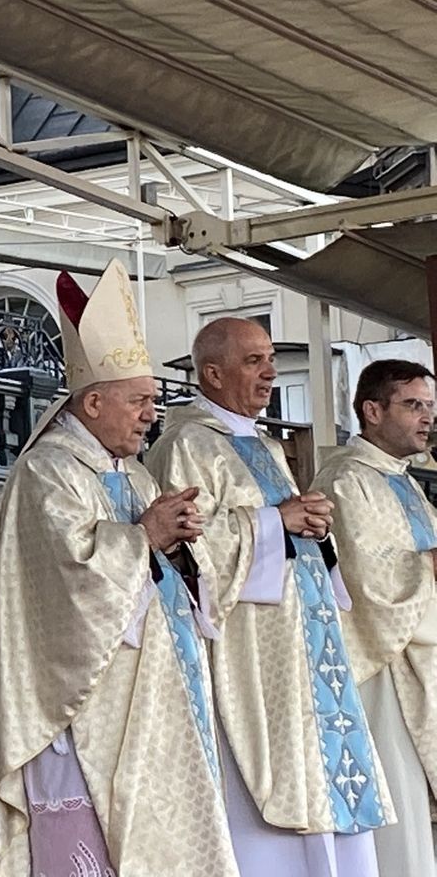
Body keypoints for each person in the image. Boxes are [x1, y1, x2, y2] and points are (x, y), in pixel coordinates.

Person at [0, 260, 237, 877]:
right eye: (140, 401)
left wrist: (181, 548)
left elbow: (172, 582)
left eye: (153, 399)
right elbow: (67, 591)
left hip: (155, 704)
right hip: (82, 715)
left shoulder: (136, 473)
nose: (152, 413)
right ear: (93, 401)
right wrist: (144, 537)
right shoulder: (49, 473)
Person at [145, 317, 392, 877]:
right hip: (250, 655)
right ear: (212, 372)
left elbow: (278, 531)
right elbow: (191, 548)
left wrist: (312, 527)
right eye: (254, 360)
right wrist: (276, 521)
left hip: (301, 647)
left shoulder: (258, 442)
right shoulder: (185, 445)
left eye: (270, 359)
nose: (270, 371)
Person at [311, 359, 437, 876]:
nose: (427, 418)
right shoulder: (345, 479)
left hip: (422, 656)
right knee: (399, 810)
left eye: (430, 406)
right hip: (381, 666)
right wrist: (428, 565)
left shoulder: (405, 482)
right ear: (372, 410)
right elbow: (365, 582)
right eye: (413, 405)